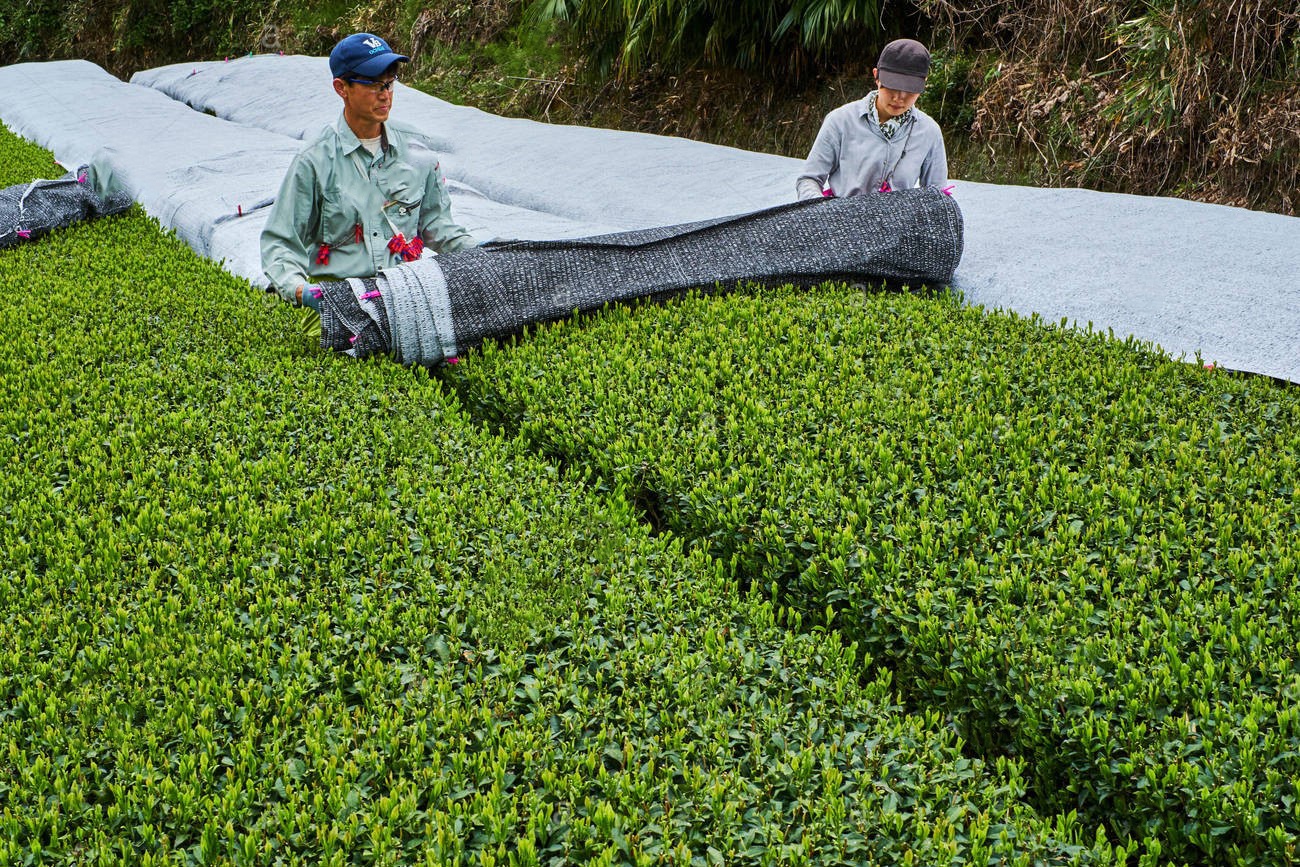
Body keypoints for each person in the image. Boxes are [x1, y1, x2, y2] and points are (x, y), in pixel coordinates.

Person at [261, 32, 476, 308]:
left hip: (406, 297)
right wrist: (300, 290)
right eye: (373, 84)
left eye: (389, 83)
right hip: (339, 300)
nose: (385, 95)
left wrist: (483, 255)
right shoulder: (314, 160)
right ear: (342, 88)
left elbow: (437, 226)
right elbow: (280, 241)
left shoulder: (417, 153)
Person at [796, 38, 948, 201]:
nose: (899, 97)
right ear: (876, 76)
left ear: (924, 83)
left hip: (899, 218)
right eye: (892, 86)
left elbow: (937, 197)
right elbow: (809, 179)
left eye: (910, 90)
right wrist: (823, 210)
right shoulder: (840, 121)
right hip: (840, 214)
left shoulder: (929, 132)